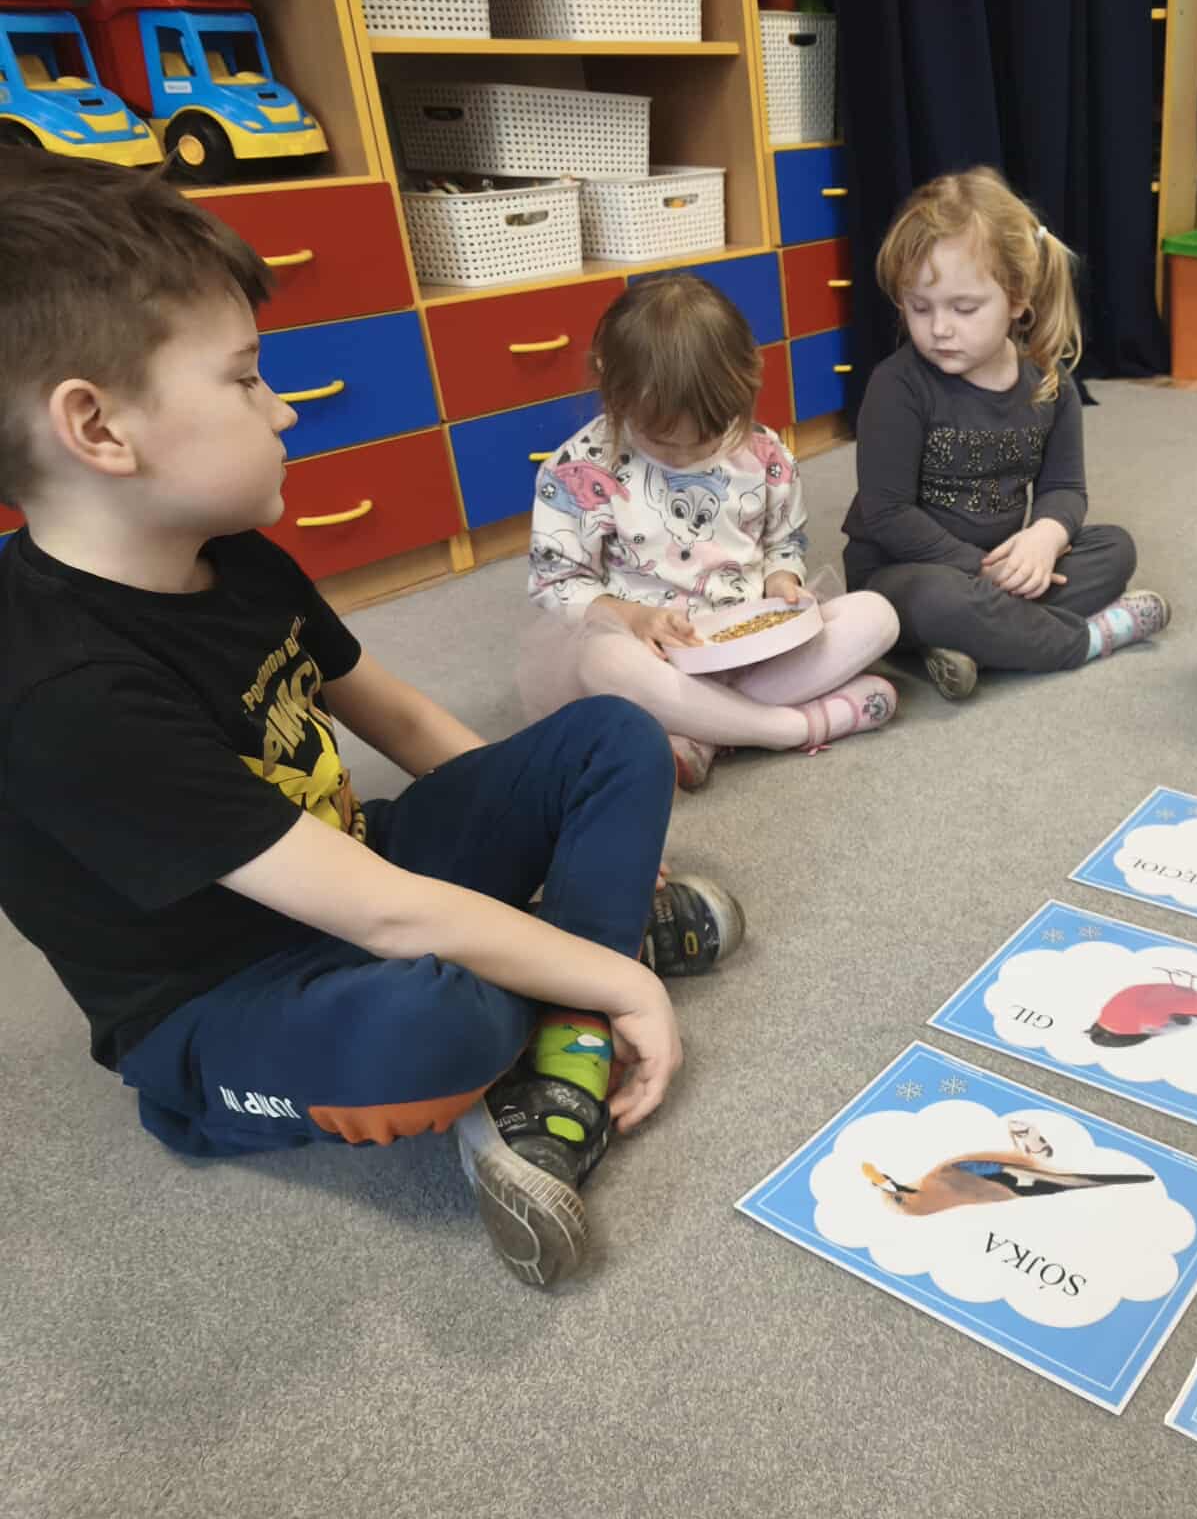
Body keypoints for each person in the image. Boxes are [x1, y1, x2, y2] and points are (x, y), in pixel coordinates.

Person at [0, 149, 739, 1289]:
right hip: (225, 996)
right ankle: (582, 984)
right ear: (98, 428)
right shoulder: (60, 689)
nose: (282, 406)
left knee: (611, 735)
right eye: (245, 379)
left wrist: (545, 815)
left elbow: (398, 717)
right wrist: (624, 981)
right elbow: (386, 916)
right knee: (438, 1023)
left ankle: (559, 1011)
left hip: (351, 866)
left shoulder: (233, 555)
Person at [520, 276, 900, 790]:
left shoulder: (765, 455)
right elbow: (558, 583)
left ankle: (702, 731)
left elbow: (784, 543)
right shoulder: (578, 470)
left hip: (754, 648)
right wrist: (635, 618)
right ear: (614, 389)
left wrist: (783, 580)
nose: (687, 455)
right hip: (656, 660)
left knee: (878, 614)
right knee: (600, 661)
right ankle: (790, 727)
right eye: (663, 442)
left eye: (709, 435)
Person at [840, 166, 1169, 701]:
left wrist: (1045, 539)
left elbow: (1065, 489)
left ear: (1017, 299)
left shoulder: (1051, 386)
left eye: (964, 308)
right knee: (938, 601)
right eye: (919, 307)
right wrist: (981, 571)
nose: (939, 328)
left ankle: (974, 642)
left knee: (1115, 549)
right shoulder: (896, 385)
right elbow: (887, 514)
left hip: (1000, 562)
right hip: (904, 570)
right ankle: (1081, 640)